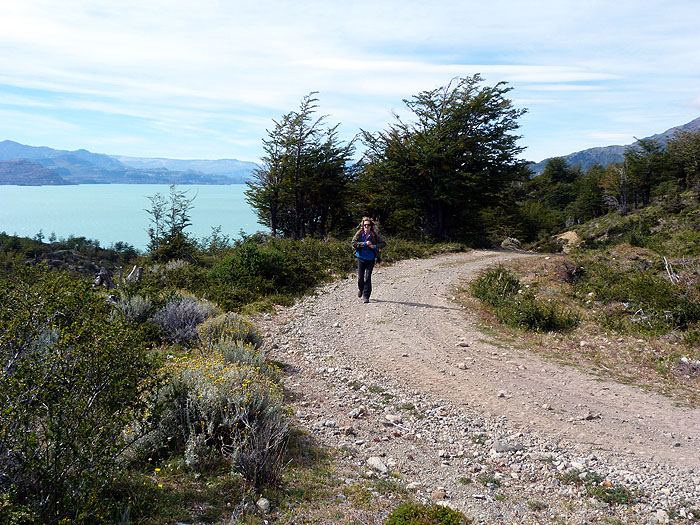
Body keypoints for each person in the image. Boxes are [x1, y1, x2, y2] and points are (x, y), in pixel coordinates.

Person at [351, 217, 386, 303]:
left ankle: (366, 296)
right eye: (365, 225)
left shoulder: (374, 235)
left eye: (368, 225)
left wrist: (374, 246)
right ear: (363, 225)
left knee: (368, 277)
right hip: (361, 258)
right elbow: (353, 243)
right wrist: (364, 244)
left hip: (370, 259)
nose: (366, 226)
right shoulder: (359, 233)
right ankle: (361, 289)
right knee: (360, 277)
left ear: (371, 226)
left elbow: (383, 243)